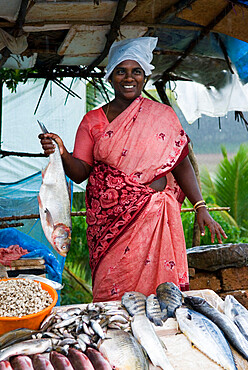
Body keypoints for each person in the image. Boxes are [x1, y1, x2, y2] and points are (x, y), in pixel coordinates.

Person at [39, 37, 227, 302]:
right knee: (111, 295)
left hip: (155, 220)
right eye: (121, 71)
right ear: (111, 77)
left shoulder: (162, 116)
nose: (129, 78)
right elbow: (80, 172)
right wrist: (62, 153)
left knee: (160, 303)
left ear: (144, 77)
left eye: (136, 71)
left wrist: (200, 206)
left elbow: (181, 161)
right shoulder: (92, 121)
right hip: (110, 226)